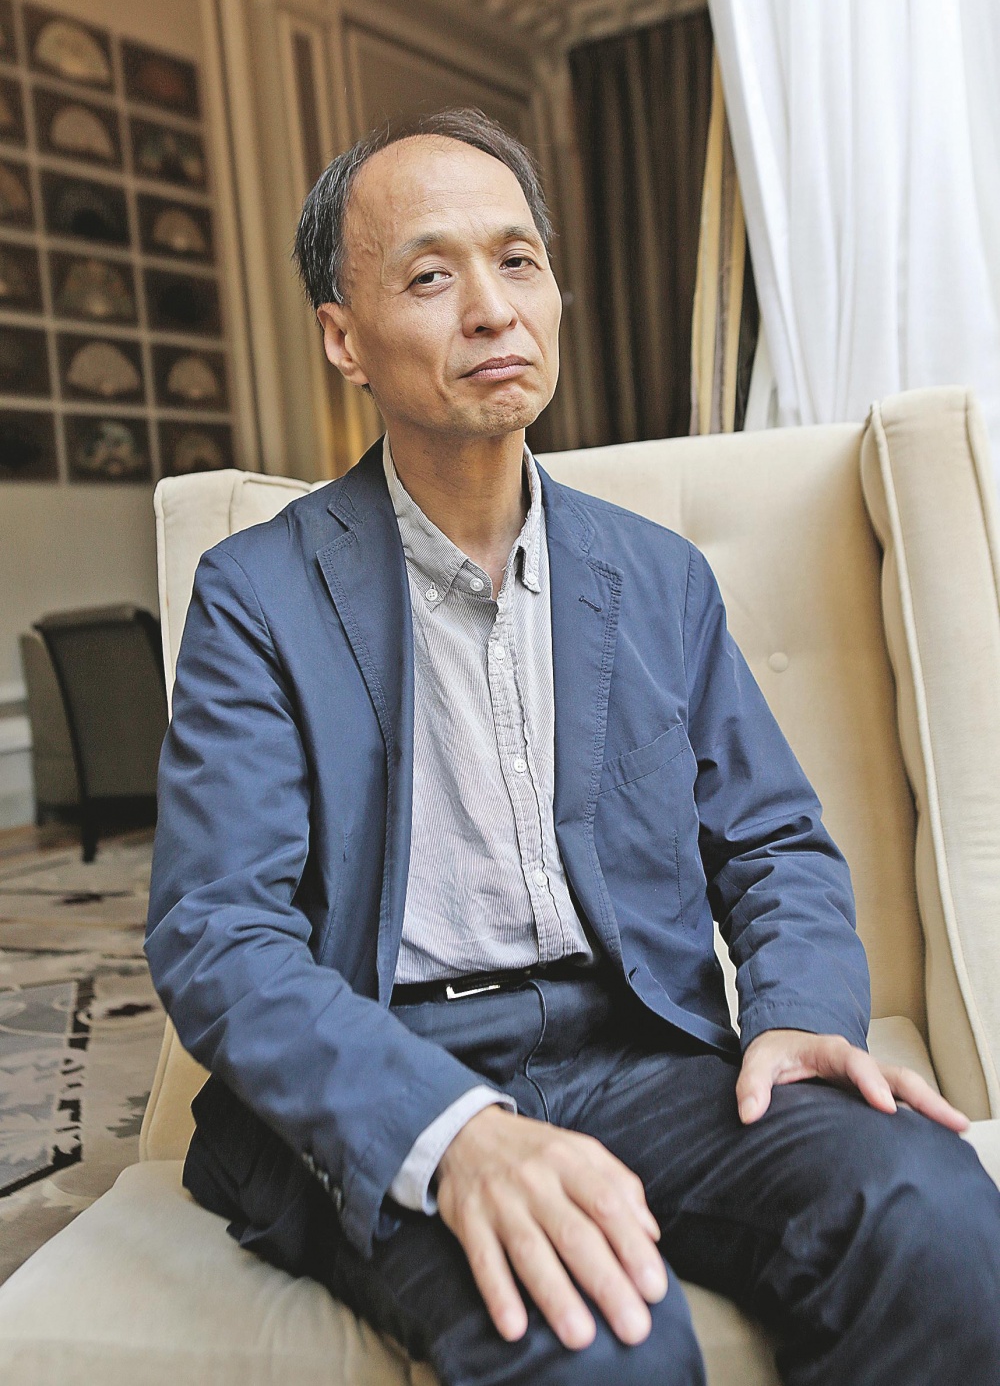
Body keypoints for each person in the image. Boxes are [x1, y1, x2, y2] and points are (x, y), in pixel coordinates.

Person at [146, 108, 1000, 1385]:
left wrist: (795, 1014)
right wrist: (449, 1131)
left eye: (518, 261)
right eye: (429, 277)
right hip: (390, 1062)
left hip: (640, 1052)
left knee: (935, 1223)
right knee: (598, 1341)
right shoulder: (256, 594)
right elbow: (218, 932)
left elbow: (774, 841)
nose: (493, 309)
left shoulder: (656, 578)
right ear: (344, 338)